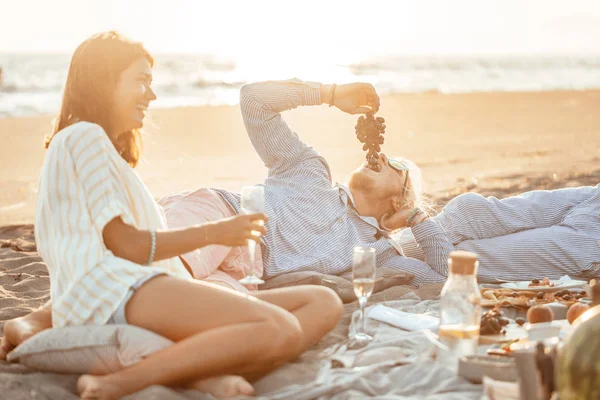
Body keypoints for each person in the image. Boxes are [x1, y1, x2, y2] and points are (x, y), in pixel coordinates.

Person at [0, 32, 343, 400]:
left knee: (323, 303)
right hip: (116, 291)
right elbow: (127, 246)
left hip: (145, 286)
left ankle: (198, 369)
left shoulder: (98, 151)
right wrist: (215, 233)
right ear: (104, 81)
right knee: (280, 328)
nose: (152, 95)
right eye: (141, 81)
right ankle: (120, 383)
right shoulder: (83, 137)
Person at [161, 79, 600, 286]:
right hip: (221, 215)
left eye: (396, 165)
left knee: (178, 307)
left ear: (399, 198)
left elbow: (442, 280)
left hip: (246, 276)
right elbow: (253, 100)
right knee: (158, 269)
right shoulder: (308, 170)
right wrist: (331, 95)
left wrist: (419, 220)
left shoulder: (378, 253)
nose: (382, 155)